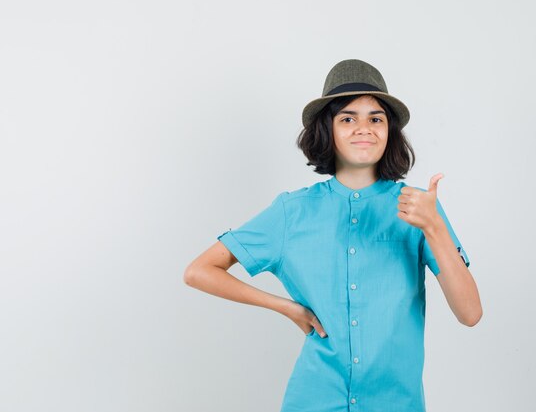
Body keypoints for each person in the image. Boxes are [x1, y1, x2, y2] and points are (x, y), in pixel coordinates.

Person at [184, 59, 482, 412]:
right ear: (329, 129)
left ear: (390, 131)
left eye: (376, 118)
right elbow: (199, 271)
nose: (363, 128)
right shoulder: (292, 212)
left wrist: (434, 228)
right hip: (314, 400)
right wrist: (286, 308)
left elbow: (470, 314)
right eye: (347, 118)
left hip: (396, 403)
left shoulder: (419, 208)